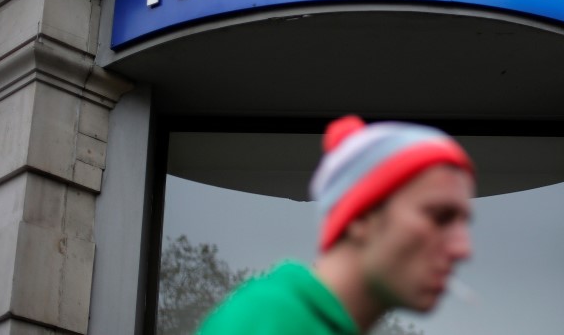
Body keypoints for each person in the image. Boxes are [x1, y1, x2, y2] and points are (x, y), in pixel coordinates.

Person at [197, 115, 475, 335]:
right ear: (362, 217)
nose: (463, 248)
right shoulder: (271, 321)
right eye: (440, 217)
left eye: (464, 223)